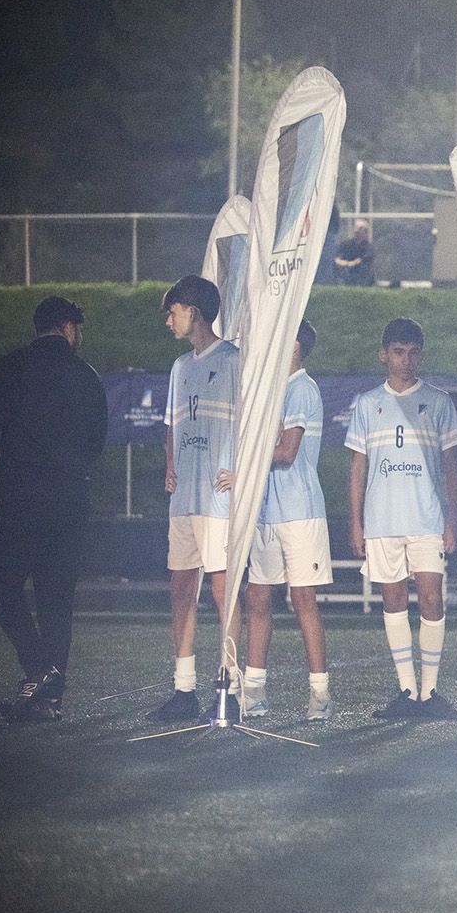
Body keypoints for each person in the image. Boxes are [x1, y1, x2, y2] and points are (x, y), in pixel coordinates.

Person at [0, 296, 108, 722]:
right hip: (69, 500)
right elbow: (97, 442)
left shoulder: (12, 366)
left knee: (2, 588)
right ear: (67, 327)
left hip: (19, 499)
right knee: (57, 599)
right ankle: (49, 694)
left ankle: (39, 670)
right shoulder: (86, 374)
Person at [345, 318, 457, 720]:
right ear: (384, 355)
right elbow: (358, 468)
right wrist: (356, 522)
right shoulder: (366, 404)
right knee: (393, 600)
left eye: (413, 352)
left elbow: (452, 466)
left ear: (421, 355)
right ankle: (406, 691)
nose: (406, 360)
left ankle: (430, 693)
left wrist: (452, 520)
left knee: (432, 598)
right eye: (398, 351)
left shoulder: (439, 402)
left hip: (427, 519)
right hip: (381, 521)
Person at [150, 275, 239, 721]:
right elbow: (172, 425)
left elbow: (258, 423)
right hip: (184, 497)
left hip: (219, 500)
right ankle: (184, 690)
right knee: (181, 589)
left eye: (173, 311)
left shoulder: (235, 361)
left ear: (194, 312)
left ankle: (231, 687)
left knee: (224, 592)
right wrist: (170, 467)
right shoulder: (180, 367)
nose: (169, 320)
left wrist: (239, 469)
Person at [237, 320, 334, 721]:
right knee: (257, 598)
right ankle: (254, 692)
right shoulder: (269, 389)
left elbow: (287, 452)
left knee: (302, 600)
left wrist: (242, 464)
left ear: (295, 345)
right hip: (265, 511)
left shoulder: (300, 388)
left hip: (300, 513)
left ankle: (320, 695)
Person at [333, 221, 376, 286]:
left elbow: (360, 261)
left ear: (366, 232)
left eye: (360, 228)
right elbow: (337, 258)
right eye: (356, 227)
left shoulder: (368, 247)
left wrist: (350, 263)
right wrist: (341, 262)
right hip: (344, 275)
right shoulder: (345, 244)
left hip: (361, 278)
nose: (357, 230)